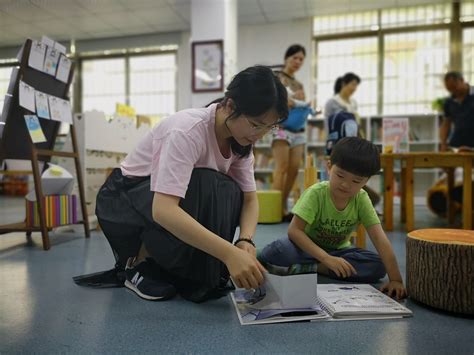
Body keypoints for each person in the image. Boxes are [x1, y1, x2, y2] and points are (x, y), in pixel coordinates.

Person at [77, 66, 289, 303]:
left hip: (166, 200)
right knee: (205, 181)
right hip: (126, 200)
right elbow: (163, 209)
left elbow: (250, 199)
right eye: (256, 124)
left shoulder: (240, 143)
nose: (260, 135)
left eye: (269, 127)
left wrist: (245, 240)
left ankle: (185, 270)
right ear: (230, 106)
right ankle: (138, 263)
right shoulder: (187, 130)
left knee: (228, 189)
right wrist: (229, 253)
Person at [259, 137, 407, 300]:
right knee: (281, 250)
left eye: (356, 181)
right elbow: (294, 231)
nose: (345, 185)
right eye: (340, 175)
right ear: (329, 167)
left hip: (339, 251)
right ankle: (264, 257)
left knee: (377, 266)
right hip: (304, 248)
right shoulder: (316, 193)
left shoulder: (362, 199)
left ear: (366, 181)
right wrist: (326, 258)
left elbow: (380, 239)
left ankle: (313, 268)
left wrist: (396, 280)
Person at [324, 72, 380, 207]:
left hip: (353, 145)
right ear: (344, 83)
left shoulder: (353, 103)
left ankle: (357, 206)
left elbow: (356, 125)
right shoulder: (332, 102)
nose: (354, 88)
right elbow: (329, 126)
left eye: (356, 86)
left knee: (353, 174)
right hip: (338, 144)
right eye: (353, 84)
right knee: (340, 176)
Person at [272, 44, 311, 221]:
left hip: (298, 129)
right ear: (286, 58)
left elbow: (296, 104)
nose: (297, 62)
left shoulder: (299, 84)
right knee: (282, 168)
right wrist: (296, 100)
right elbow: (280, 101)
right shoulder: (277, 77)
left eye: (301, 59)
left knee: (294, 169)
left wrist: (297, 101)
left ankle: (283, 206)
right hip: (280, 127)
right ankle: (275, 209)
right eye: (294, 57)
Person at [440, 71, 474, 152]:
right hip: (457, 144)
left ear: (462, 80)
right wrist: (443, 143)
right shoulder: (449, 102)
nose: (452, 91)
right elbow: (446, 124)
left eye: (454, 87)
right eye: (449, 89)